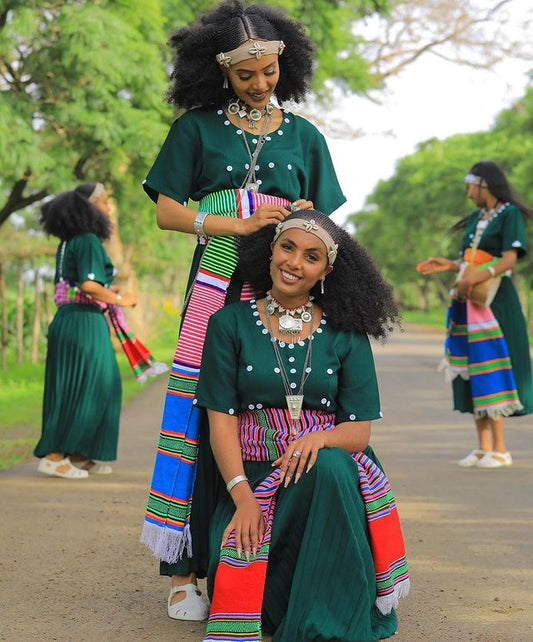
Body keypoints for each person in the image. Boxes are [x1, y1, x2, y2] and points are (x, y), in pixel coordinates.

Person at [139, 0, 346, 621]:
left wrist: (305, 215)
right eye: (245, 74)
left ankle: (269, 558)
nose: (260, 84)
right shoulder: (195, 129)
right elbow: (168, 211)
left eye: (269, 71)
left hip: (284, 294)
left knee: (279, 414)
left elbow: (324, 226)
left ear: (288, 62)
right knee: (205, 417)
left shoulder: (307, 136)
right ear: (218, 73)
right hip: (215, 290)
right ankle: (187, 567)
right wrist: (238, 220)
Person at [193, 210, 409, 641]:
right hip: (254, 476)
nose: (294, 262)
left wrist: (319, 438)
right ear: (270, 248)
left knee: (328, 466)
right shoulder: (228, 324)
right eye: (287, 247)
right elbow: (220, 423)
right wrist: (243, 498)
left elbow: (358, 431)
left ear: (326, 271)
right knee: (246, 557)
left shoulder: (346, 334)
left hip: (329, 478)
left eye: (311, 257)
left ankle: (327, 623)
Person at [416, 161, 533, 468]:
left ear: (485, 185)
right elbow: (468, 260)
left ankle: (501, 449)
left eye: (470, 186)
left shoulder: (509, 215)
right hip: (470, 302)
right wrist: (451, 266)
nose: (468, 193)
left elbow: (509, 259)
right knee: (472, 368)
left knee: (491, 366)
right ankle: (482, 448)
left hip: (495, 303)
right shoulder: (478, 218)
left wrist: (477, 277)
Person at [34, 183, 138, 479]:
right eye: (105, 203)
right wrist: (121, 299)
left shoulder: (68, 242)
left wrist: (106, 291)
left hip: (70, 318)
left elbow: (78, 284)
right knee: (90, 385)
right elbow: (89, 285)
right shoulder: (89, 240)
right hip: (83, 322)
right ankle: (54, 456)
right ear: (89, 207)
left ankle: (77, 453)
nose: (108, 209)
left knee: (84, 385)